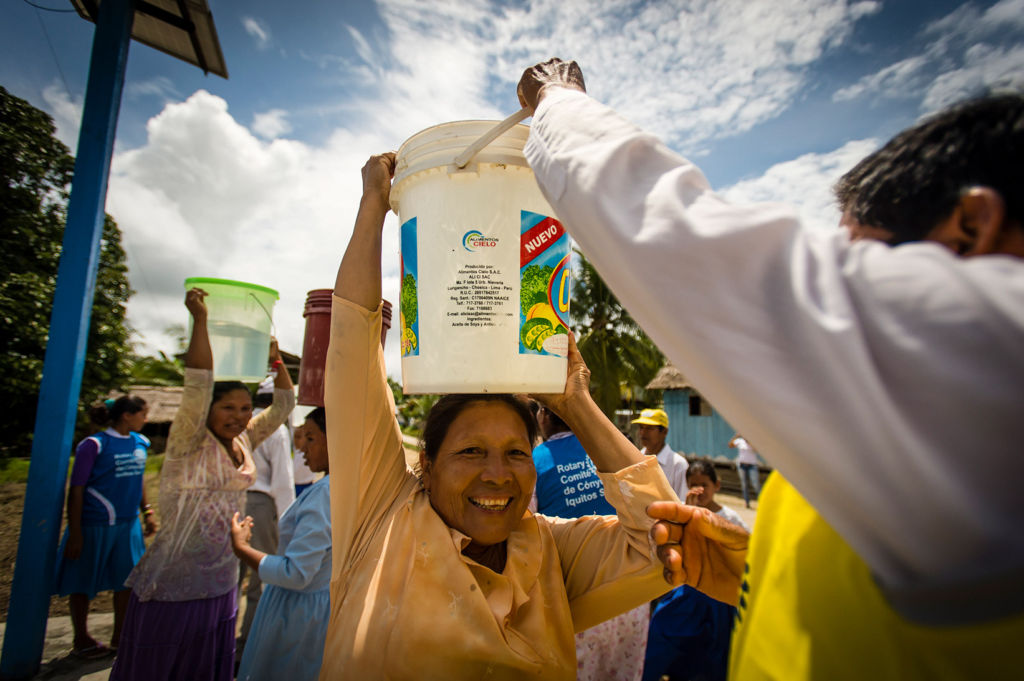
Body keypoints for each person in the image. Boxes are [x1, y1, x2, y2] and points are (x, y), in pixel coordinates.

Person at [517, 59, 1024, 677]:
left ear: (970, 229)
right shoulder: (911, 434)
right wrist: (760, 569)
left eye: (857, 255)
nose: (842, 283)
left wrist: (558, 101)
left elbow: (684, 243)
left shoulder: (993, 347)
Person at [316, 152, 743, 680]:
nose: (497, 473)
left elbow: (663, 537)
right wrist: (373, 206)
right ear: (425, 464)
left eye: (517, 452)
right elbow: (353, 349)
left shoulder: (550, 551)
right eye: (471, 451)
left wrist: (574, 401)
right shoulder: (381, 516)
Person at [110, 288, 295, 681]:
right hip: (175, 580)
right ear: (208, 410)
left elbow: (283, 405)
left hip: (222, 578)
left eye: (245, 408)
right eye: (228, 407)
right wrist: (201, 321)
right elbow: (198, 382)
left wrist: (276, 357)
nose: (239, 416)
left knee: (204, 669)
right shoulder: (189, 441)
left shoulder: (245, 439)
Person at [532, 405, 648, 681]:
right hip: (633, 595)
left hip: (579, 602)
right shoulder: (606, 449)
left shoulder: (534, 461)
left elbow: (524, 530)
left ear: (545, 417)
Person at [230, 407, 331, 681]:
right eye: (302, 438)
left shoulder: (323, 495)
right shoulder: (339, 488)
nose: (302, 449)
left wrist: (242, 548)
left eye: (311, 439)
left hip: (297, 615)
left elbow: (296, 573)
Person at [54, 395, 157, 659]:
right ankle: (82, 638)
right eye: (142, 414)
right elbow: (76, 489)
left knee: (127, 581)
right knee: (82, 581)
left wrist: (147, 511)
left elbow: (139, 479)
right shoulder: (95, 445)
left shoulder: (141, 442)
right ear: (127, 415)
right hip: (95, 524)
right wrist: (75, 531)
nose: (146, 419)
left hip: (128, 523)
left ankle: (120, 636)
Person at [643, 461, 749, 681]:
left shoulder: (731, 517)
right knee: (665, 634)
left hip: (719, 599)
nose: (700, 491)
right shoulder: (686, 512)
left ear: (716, 486)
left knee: (715, 648)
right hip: (690, 594)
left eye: (704, 485)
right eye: (694, 485)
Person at [237, 377, 296, 650]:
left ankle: (223, 637)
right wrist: (289, 522)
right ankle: (250, 639)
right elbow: (282, 481)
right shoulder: (276, 429)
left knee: (232, 576)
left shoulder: (241, 427)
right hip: (261, 507)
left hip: (235, 502)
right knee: (261, 575)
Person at [631, 408, 688, 499]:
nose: (643, 432)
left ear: (664, 432)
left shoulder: (678, 464)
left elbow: (682, 501)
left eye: (649, 428)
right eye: (641, 427)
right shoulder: (635, 459)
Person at [727, 434, 760, 508]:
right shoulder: (740, 441)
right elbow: (730, 445)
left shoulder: (753, 442)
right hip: (742, 465)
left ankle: (761, 501)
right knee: (744, 485)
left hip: (752, 465)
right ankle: (747, 502)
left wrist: (749, 442)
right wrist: (736, 436)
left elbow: (757, 450)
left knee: (755, 484)